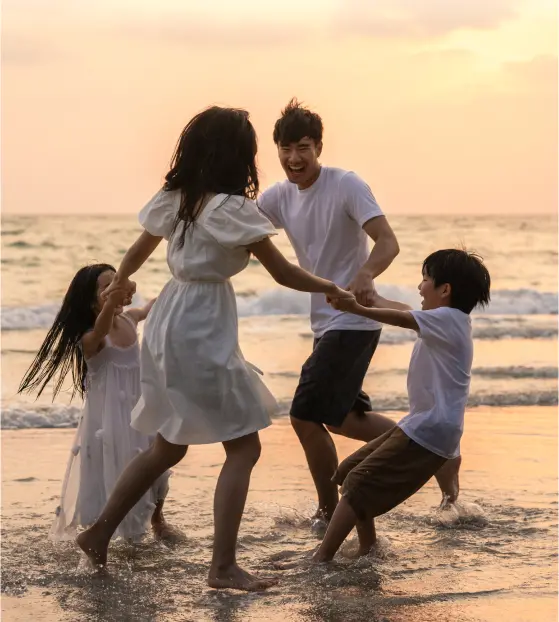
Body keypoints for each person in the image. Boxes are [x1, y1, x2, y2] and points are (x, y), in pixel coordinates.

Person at [75, 106, 353, 591]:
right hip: (202, 323)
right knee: (244, 446)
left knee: (167, 445)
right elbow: (284, 273)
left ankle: (99, 533)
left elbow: (138, 251)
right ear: (238, 156)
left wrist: (121, 282)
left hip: (169, 321)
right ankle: (222, 566)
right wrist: (335, 287)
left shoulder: (178, 198)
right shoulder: (233, 209)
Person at [258, 98, 405, 528]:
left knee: (304, 414)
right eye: (285, 149)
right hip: (325, 324)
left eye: (303, 147)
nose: (293, 159)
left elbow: (387, 241)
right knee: (344, 419)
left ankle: (327, 510)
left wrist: (365, 273)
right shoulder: (280, 197)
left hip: (354, 318)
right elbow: (239, 227)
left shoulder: (346, 184)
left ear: (318, 147)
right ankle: (424, 447)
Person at [304, 249, 491, 563]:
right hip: (421, 424)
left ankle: (322, 559)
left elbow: (401, 317)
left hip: (430, 430)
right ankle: (369, 549)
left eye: (426, 279)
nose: (420, 287)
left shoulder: (447, 320)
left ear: (445, 290)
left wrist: (357, 308)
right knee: (348, 474)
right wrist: (365, 298)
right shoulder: (448, 320)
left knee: (358, 484)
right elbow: (402, 308)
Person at [18, 264, 175, 542]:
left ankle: (157, 518)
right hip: (110, 420)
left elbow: (150, 308)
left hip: (141, 407)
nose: (117, 289)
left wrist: (179, 280)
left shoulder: (129, 320)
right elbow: (102, 327)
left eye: (118, 282)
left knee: (157, 461)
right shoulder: (90, 338)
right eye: (107, 288)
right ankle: (109, 530)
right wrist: (114, 298)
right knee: (118, 468)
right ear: (91, 300)